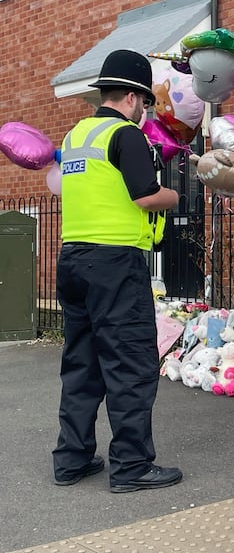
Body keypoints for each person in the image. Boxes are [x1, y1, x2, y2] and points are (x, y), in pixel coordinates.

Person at [53, 49, 183, 493]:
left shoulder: (75, 137)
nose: (146, 111)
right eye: (145, 102)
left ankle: (71, 459)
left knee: (82, 365)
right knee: (130, 363)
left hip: (72, 259)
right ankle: (130, 466)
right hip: (115, 264)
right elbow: (146, 196)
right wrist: (176, 197)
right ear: (131, 97)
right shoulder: (126, 135)